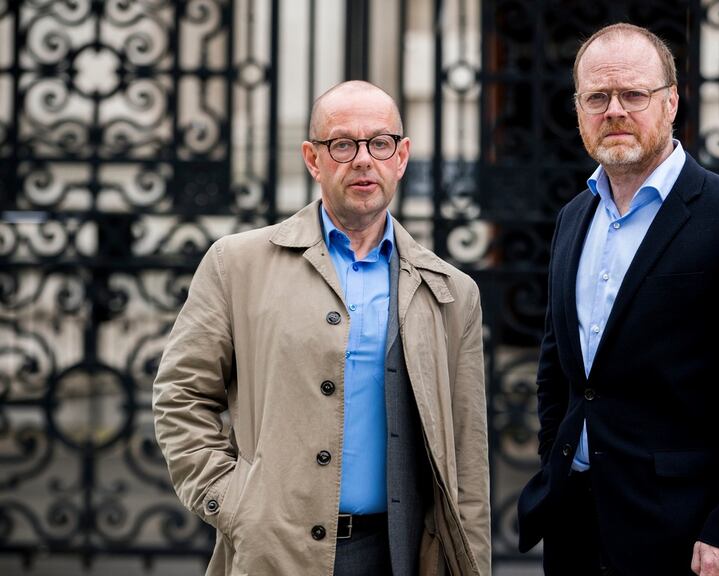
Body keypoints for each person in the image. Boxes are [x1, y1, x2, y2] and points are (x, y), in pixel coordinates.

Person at [154, 81, 490, 576]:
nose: (362, 159)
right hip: (276, 553)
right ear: (313, 159)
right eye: (342, 144)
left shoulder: (452, 291)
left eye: (379, 143)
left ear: (401, 157)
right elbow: (179, 395)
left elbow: (467, 453)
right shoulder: (237, 264)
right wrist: (234, 504)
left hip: (402, 555)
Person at [516, 24, 719, 576]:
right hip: (576, 523)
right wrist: (555, 463)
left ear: (671, 102)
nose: (615, 110)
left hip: (688, 535)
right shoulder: (575, 217)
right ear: (578, 108)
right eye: (597, 97)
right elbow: (559, 368)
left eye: (634, 95)